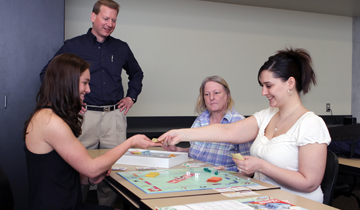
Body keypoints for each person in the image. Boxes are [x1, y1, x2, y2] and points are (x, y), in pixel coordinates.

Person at [159, 48, 331, 203]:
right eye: (262, 86)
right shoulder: (266, 115)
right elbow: (227, 130)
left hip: (296, 203)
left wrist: (261, 166)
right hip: (263, 198)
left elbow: (309, 183)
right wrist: (182, 134)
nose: (263, 92)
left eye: (268, 86)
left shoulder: (311, 124)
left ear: (290, 83)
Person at [39, 0, 144, 206]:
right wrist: (70, 102)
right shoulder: (73, 45)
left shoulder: (122, 48)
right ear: (93, 17)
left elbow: (137, 74)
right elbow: (48, 74)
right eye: (106, 18)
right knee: (79, 168)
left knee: (114, 169)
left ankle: (108, 207)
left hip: (115, 117)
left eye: (114, 20)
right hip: (83, 117)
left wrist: (131, 97)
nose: (110, 24)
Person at [24, 53, 160, 210]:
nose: (88, 90)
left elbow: (57, 173)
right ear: (67, 82)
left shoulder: (47, 116)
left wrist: (88, 180)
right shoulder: (51, 122)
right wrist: (130, 142)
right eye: (85, 83)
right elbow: (91, 168)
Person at [162, 76, 252, 172]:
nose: (211, 98)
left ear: (227, 95)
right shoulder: (200, 120)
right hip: (195, 177)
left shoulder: (239, 123)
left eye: (216, 93)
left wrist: (228, 170)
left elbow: (249, 166)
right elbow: (199, 153)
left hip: (223, 182)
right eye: (207, 94)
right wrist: (177, 150)